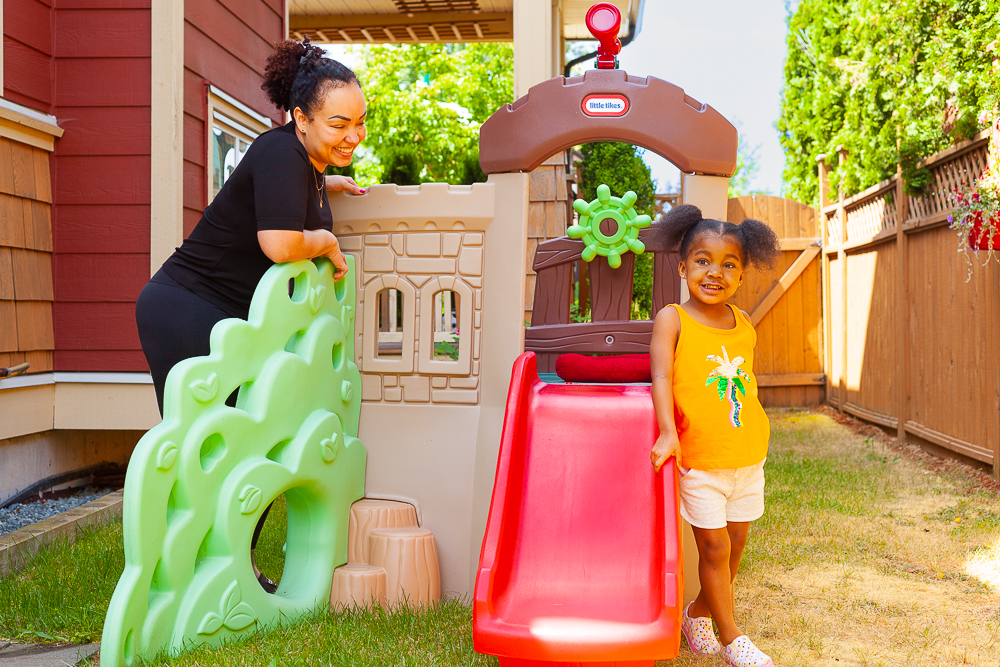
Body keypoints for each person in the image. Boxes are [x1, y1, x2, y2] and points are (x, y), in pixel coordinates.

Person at [134, 38, 367, 593]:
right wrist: (326, 241)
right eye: (339, 124)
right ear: (300, 117)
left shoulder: (301, 159)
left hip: (221, 317)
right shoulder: (279, 152)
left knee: (248, 442)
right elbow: (281, 244)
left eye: (360, 122)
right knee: (213, 447)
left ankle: (226, 567)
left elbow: (279, 199)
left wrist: (327, 184)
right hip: (187, 308)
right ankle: (189, 576)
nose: (353, 136)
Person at [648, 205, 780, 667]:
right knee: (714, 546)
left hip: (746, 456)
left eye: (729, 264)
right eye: (703, 260)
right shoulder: (672, 319)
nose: (715, 272)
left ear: (742, 275)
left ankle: (698, 614)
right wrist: (668, 432)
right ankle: (733, 639)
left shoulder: (744, 324)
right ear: (683, 267)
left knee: (737, 542)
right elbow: (661, 377)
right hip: (700, 460)